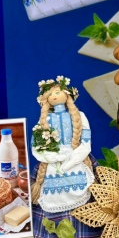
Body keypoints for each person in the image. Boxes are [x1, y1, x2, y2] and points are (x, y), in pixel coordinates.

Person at [30, 76, 95, 214]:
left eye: (58, 92)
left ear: (67, 95)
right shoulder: (45, 119)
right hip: (52, 159)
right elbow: (36, 143)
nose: (54, 96)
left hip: (77, 156)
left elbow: (86, 141)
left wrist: (74, 159)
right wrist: (48, 156)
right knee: (52, 186)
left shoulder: (79, 116)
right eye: (50, 94)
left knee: (81, 184)